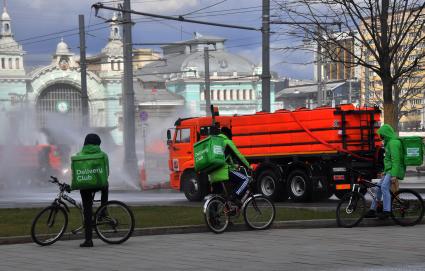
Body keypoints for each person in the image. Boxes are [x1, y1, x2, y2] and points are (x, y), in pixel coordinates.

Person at [365, 124, 405, 219]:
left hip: (394, 170)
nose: (380, 136)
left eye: (381, 134)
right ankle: (372, 210)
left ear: (386, 134)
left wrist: (394, 175)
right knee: (378, 188)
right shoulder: (388, 143)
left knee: (383, 188)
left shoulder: (394, 143)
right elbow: (388, 160)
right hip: (389, 170)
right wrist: (385, 171)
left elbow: (396, 160)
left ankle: (387, 211)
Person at [76, 133, 109, 247]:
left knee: (87, 211)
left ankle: (88, 240)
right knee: (106, 185)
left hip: (85, 186)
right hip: (99, 185)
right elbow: (107, 173)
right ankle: (103, 210)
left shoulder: (79, 155)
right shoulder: (103, 155)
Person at [209, 127, 252, 206]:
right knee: (245, 179)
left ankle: (213, 217)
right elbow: (239, 156)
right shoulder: (227, 142)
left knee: (219, 197)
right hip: (223, 172)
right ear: (228, 134)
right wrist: (249, 167)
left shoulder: (215, 143)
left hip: (213, 174)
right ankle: (234, 196)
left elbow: (225, 159)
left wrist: (235, 166)